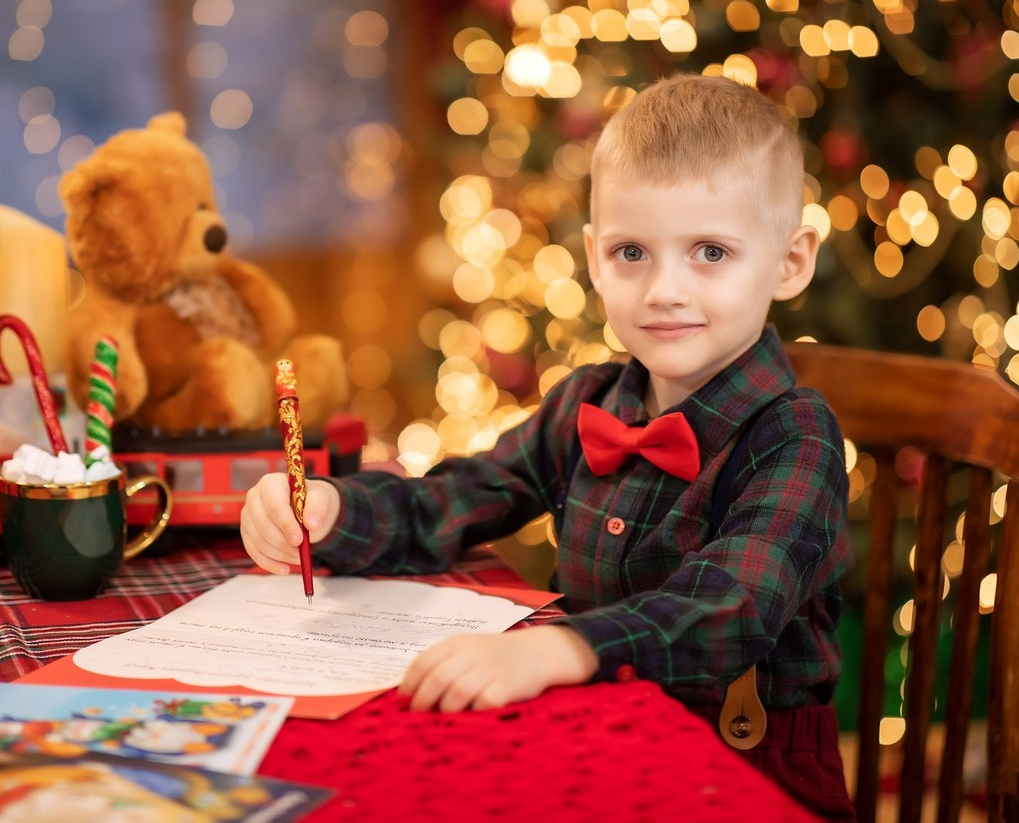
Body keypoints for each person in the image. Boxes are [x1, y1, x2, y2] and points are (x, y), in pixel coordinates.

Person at [241, 73, 855, 819]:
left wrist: (558, 650)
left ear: (790, 262)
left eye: (710, 253)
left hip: (742, 767)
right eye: (634, 252)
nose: (664, 288)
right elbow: (460, 496)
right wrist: (333, 511)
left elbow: (733, 604)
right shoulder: (587, 401)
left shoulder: (795, 434)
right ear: (595, 258)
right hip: (599, 733)